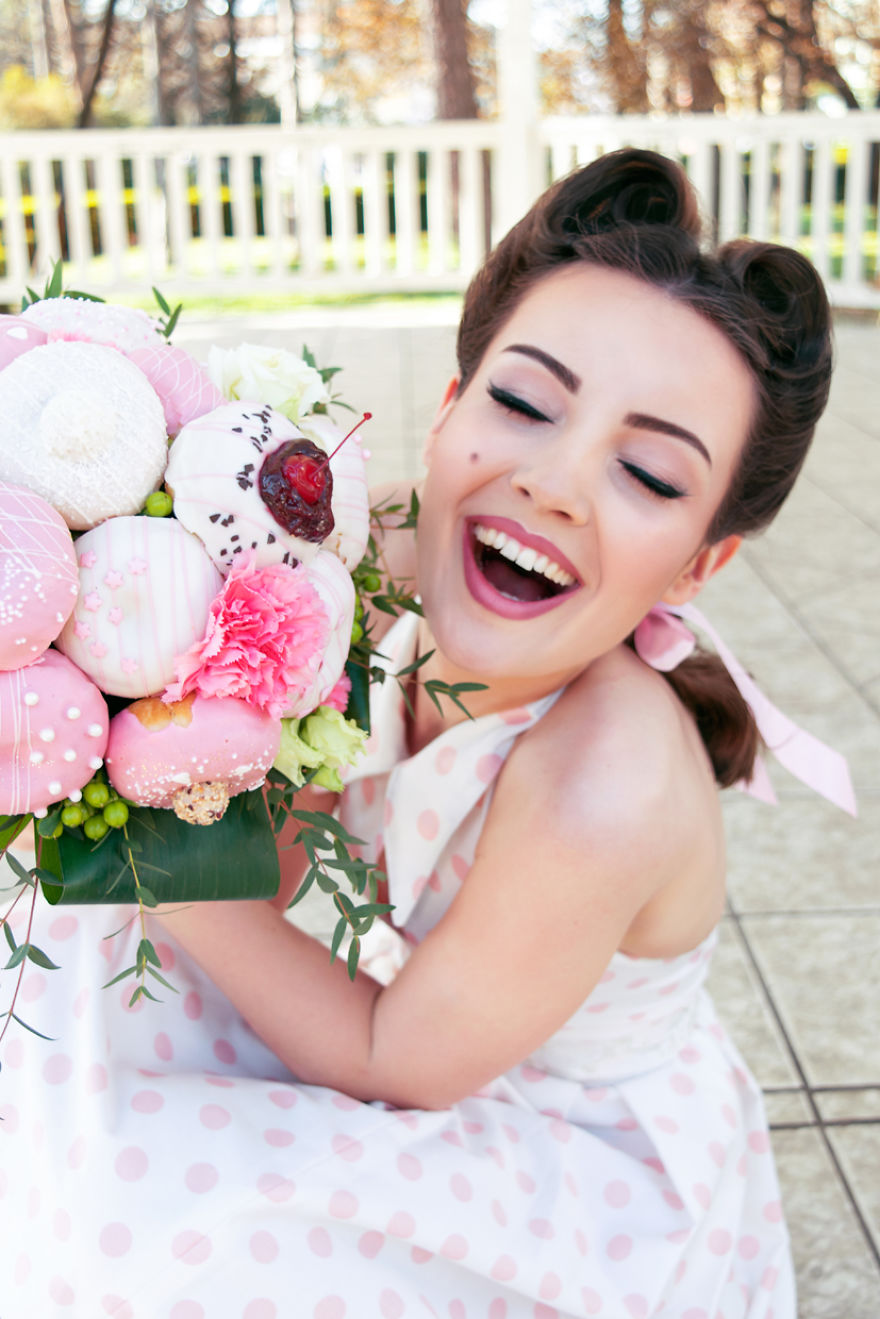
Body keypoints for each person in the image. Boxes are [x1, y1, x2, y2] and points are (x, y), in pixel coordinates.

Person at [0, 148, 854, 1319]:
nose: (553, 482)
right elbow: (284, 831)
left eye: (648, 474)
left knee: (167, 1233)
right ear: (449, 412)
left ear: (702, 560)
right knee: (73, 992)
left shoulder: (609, 779)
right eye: (520, 402)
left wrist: (153, 849)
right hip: (417, 1016)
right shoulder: (373, 558)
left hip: (547, 1128)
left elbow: (397, 1054)